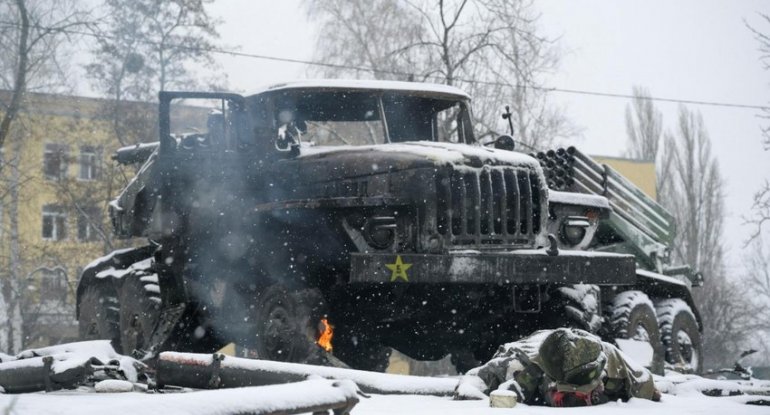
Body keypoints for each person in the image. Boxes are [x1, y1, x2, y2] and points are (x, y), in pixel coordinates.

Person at [456, 328, 661, 407]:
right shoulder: (518, 366)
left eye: (590, 396)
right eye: (564, 398)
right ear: (549, 383)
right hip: (534, 343)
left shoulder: (614, 361)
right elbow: (473, 381)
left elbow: (647, 387)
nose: (576, 404)